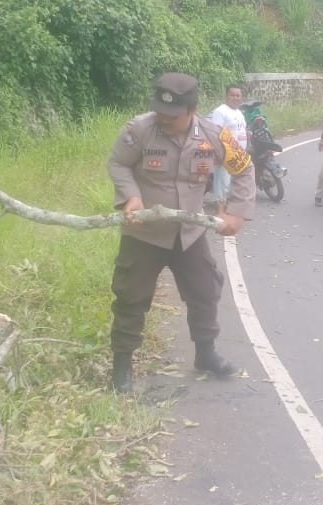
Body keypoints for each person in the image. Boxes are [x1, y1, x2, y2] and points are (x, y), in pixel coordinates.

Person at [106, 73, 257, 393]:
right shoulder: (139, 130)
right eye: (160, 111)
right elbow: (118, 164)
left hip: (190, 233)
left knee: (205, 290)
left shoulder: (215, 136)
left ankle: (205, 354)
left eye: (172, 115)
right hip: (144, 233)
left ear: (192, 110)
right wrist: (130, 196)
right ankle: (121, 366)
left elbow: (243, 168)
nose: (164, 119)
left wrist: (237, 214)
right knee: (130, 296)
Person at [205, 84, 249, 213]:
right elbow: (215, 134)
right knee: (222, 183)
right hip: (226, 154)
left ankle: (228, 209)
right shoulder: (220, 111)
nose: (235, 98)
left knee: (232, 184)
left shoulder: (239, 112)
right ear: (226, 96)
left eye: (238, 95)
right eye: (232, 95)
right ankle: (220, 211)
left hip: (238, 155)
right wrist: (218, 154)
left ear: (241, 97)